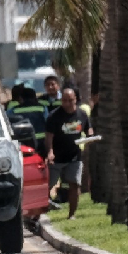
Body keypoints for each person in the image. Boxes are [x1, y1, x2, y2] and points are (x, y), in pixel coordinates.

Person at [44, 88, 91, 220]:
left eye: (70, 100)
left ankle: (72, 214)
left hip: (74, 156)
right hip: (57, 157)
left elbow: (89, 128)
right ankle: (40, 211)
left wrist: (91, 136)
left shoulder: (82, 114)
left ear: (75, 99)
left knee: (74, 184)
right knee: (48, 184)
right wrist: (50, 152)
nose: (67, 103)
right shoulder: (54, 116)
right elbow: (49, 137)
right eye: (64, 100)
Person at [7, 86, 48, 152]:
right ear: (35, 97)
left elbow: (8, 123)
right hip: (41, 141)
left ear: (21, 98)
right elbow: (48, 123)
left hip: (22, 142)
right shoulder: (42, 108)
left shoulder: (13, 110)